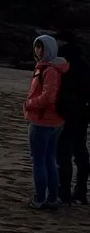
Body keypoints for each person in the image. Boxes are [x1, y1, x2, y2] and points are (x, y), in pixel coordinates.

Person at [26, 34, 70, 209]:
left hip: (43, 121)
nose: (37, 50)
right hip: (55, 121)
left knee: (39, 161)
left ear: (48, 49)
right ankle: (52, 197)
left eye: (40, 47)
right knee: (49, 159)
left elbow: (48, 97)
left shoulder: (49, 69)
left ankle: (41, 198)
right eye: (36, 46)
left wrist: (29, 104)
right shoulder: (56, 67)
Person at [59, 34, 88, 205]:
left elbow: (63, 92)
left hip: (68, 114)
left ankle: (64, 190)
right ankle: (81, 190)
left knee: (64, 153)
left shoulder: (65, 66)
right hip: (82, 114)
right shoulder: (85, 66)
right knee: (80, 151)